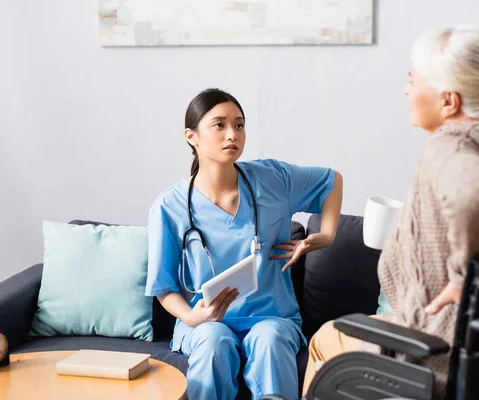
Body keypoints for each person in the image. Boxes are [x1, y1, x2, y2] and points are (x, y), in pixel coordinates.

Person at [303, 25, 479, 398]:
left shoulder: (450, 145)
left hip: (439, 351)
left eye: (412, 80)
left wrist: (461, 278)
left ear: (448, 101)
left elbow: (477, 193)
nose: (407, 91)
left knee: (325, 338)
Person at [145, 88, 343, 400]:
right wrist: (191, 317)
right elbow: (163, 286)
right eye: (219, 125)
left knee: (271, 339)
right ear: (191, 136)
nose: (232, 135)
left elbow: (331, 181)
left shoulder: (273, 179)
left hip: (272, 317)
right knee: (213, 340)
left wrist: (327, 234)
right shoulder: (170, 206)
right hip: (205, 322)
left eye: (239, 125)